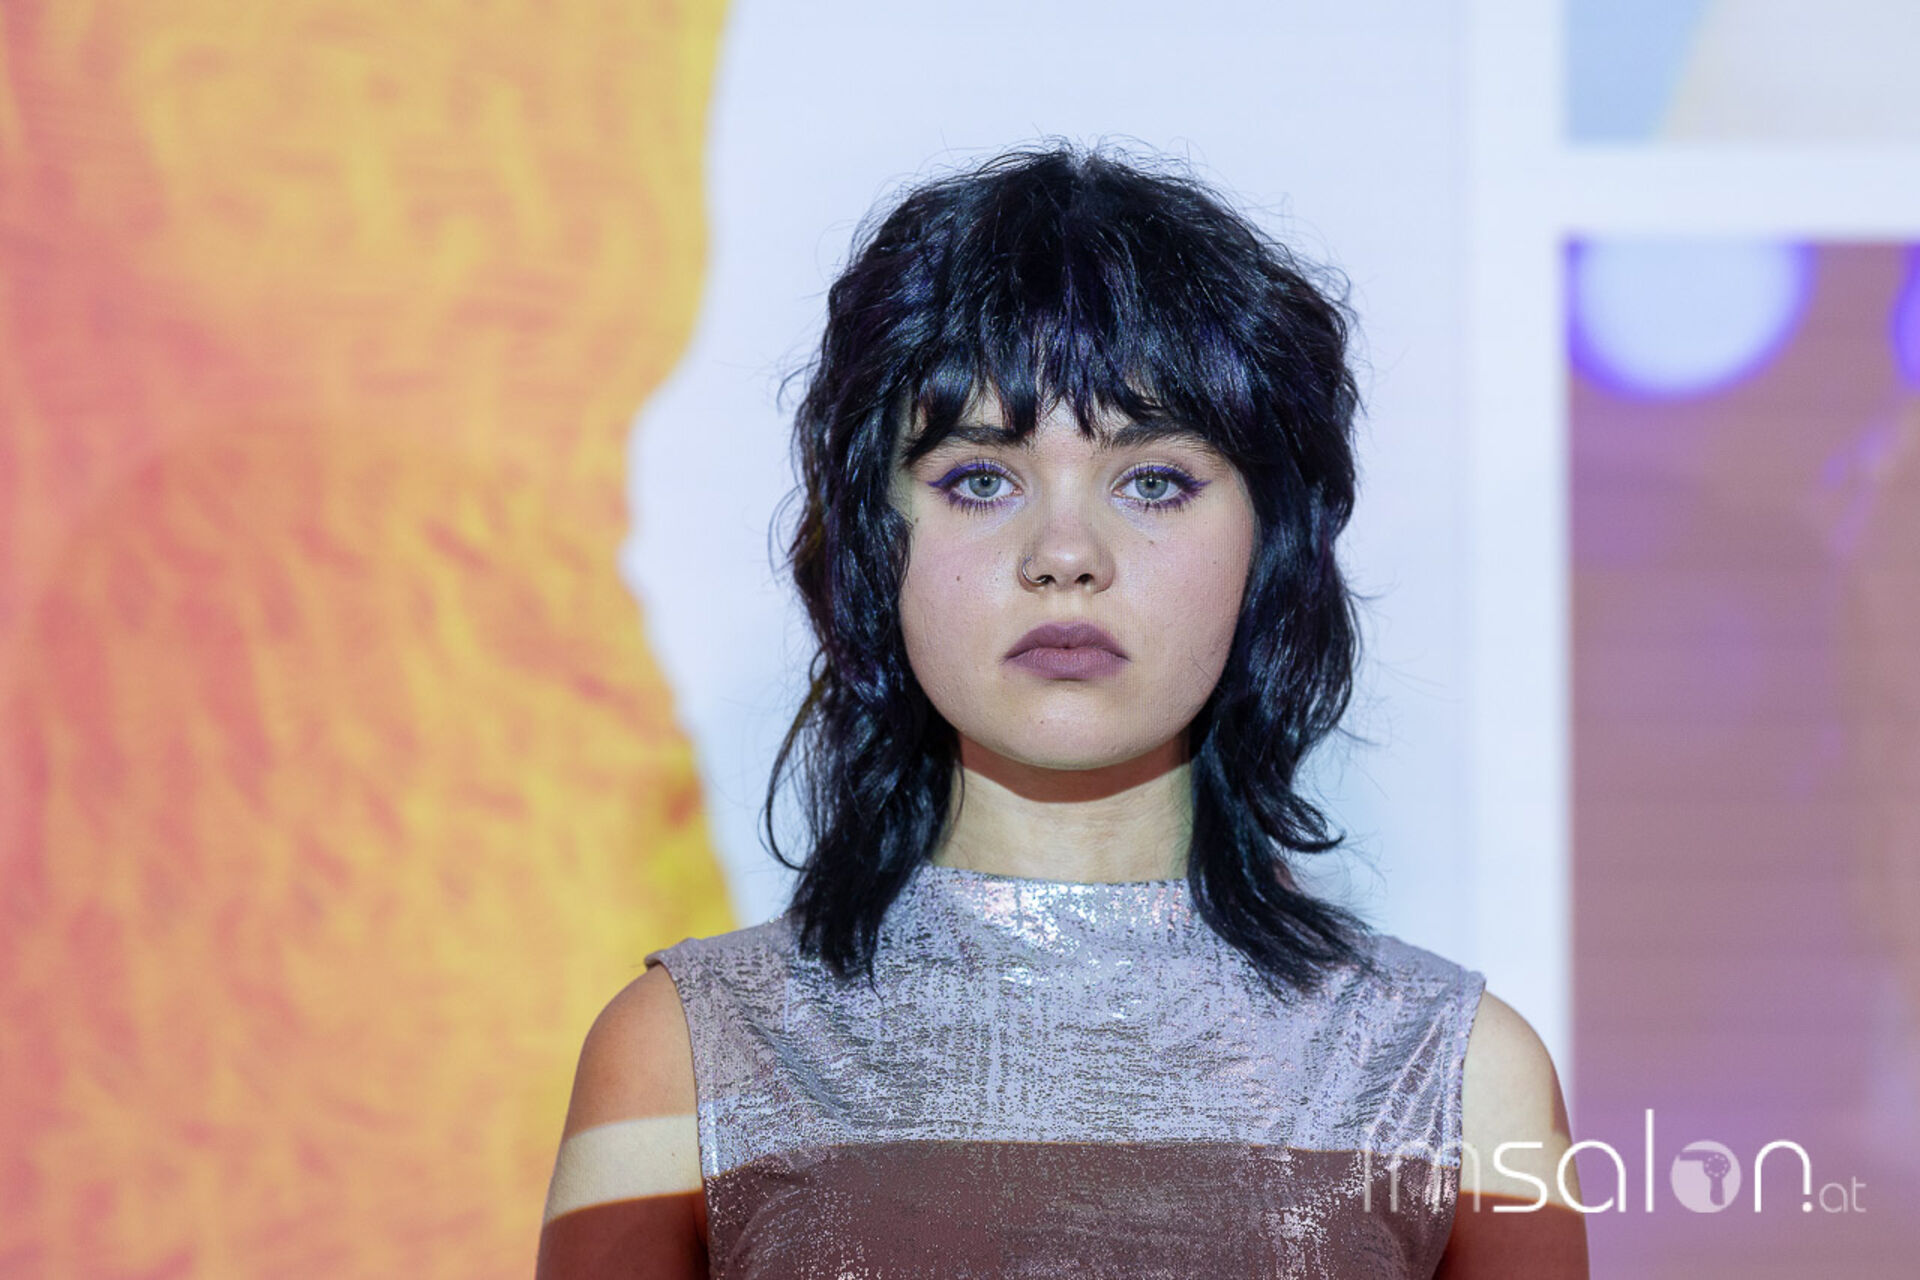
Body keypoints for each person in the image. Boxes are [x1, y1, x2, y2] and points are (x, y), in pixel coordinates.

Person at [536, 143, 1590, 1278]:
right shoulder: (686, 1058)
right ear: (873, 544)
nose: (1066, 553)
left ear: (1272, 543)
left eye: (1155, 481)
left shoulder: (1456, 1077)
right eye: (980, 479)